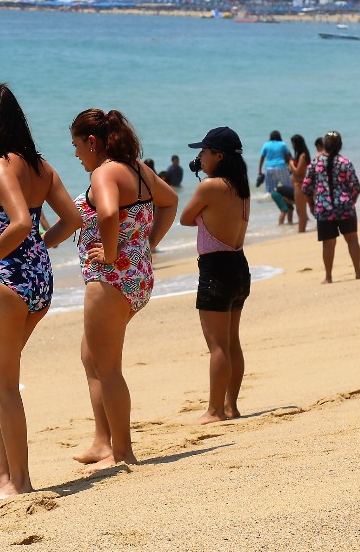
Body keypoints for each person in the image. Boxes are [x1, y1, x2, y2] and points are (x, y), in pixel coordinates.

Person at [0, 84, 81, 503]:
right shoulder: (41, 167)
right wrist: (41, 246)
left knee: (6, 384)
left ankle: (21, 482)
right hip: (39, 284)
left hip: (7, 283)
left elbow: (15, 223)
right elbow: (71, 220)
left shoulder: (0, 167)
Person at [68, 108, 179, 472]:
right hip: (137, 278)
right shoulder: (137, 168)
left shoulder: (104, 172)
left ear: (93, 142)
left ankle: (123, 452)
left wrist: (114, 251)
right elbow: (170, 202)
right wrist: (146, 246)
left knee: (108, 367)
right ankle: (103, 441)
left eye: (77, 145)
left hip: (110, 280)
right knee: (91, 356)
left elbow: (109, 214)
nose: (76, 154)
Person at [180, 126, 252, 424]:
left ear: (218, 155)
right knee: (232, 341)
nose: (200, 157)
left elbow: (185, 219)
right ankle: (231, 405)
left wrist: (202, 211)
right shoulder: (240, 186)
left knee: (217, 346)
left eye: (204, 152)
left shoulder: (210, 186)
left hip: (215, 269)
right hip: (238, 264)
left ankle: (214, 410)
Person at [302, 131, 360, 283]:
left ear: (324, 145)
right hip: (344, 205)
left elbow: (306, 187)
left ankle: (328, 277)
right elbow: (355, 186)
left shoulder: (315, 163)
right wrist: (351, 201)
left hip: (324, 207)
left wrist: (312, 204)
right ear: (340, 145)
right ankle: (358, 272)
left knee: (328, 243)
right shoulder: (345, 162)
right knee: (352, 239)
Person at [288, 134, 311, 233]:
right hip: (297, 184)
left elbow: (298, 171)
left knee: (301, 212)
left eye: (293, 143)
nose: (292, 146)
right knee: (298, 210)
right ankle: (301, 230)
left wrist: (291, 164)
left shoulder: (303, 156)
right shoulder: (299, 156)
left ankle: (301, 231)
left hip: (300, 185)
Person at [258, 130, 292, 195]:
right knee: (288, 186)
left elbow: (262, 158)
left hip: (269, 168)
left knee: (269, 189)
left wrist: (260, 170)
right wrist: (288, 166)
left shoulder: (266, 145)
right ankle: (287, 200)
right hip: (281, 167)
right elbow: (287, 158)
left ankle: (268, 201)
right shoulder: (283, 144)